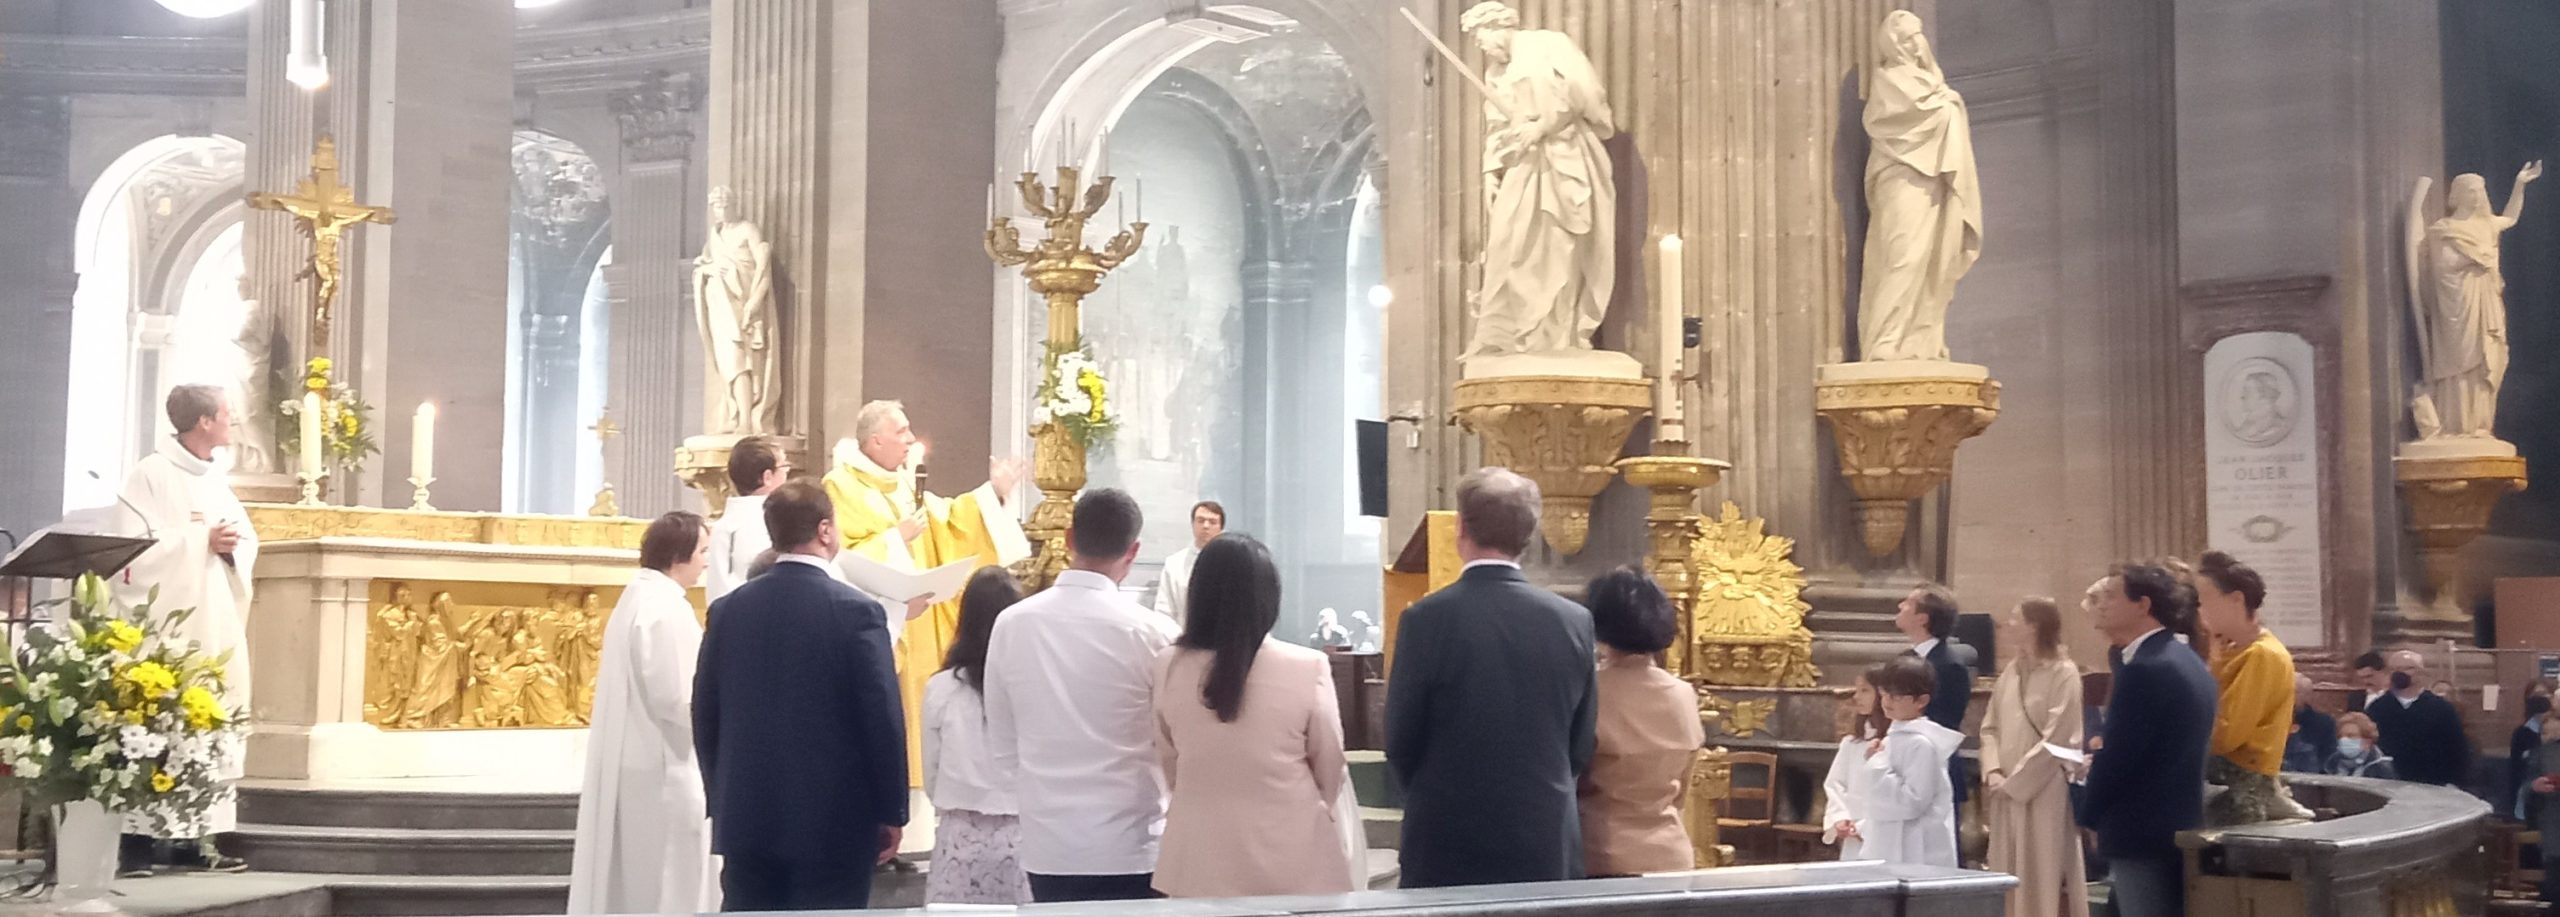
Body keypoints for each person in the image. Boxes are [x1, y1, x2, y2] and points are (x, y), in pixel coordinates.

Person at [693, 482, 907, 911]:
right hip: (834, 821)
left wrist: (722, 795)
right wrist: (891, 811)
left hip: (747, 815)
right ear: (825, 531)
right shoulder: (856, 611)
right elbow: (880, 717)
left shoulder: (728, 610)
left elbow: (705, 713)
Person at [1386, 468, 1598, 888]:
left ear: (1460, 528)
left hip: (1447, 831)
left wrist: (1436, 791)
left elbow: (1400, 737)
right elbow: (1580, 742)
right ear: (1531, 534)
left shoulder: (1425, 619)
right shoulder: (1574, 621)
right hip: (1543, 832)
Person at [983, 489, 1179, 902]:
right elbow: (1173, 741)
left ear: (1069, 539)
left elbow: (1001, 745)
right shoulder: (1155, 633)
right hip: (1133, 842)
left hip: (1049, 843)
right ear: (1134, 550)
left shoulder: (1012, 624)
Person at [821, 399, 1031, 783]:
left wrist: (993, 493)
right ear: (874, 441)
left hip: (921, 617)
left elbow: (950, 520)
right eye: (900, 431)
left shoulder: (902, 481)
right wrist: (894, 538)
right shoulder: (840, 486)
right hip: (885, 622)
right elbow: (838, 556)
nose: (909, 438)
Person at [1151, 534, 1357, 897]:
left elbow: (1170, 759)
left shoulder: (1169, 664)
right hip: (1291, 853)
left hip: (1199, 853)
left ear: (1198, 595)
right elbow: (1330, 765)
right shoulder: (1307, 666)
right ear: (1268, 598)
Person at [114, 384, 257, 874]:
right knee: (152, 724)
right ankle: (135, 842)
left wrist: (230, 546)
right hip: (166, 627)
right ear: (203, 423)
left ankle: (196, 841)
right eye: (225, 413)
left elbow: (245, 540)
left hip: (212, 624)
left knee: (211, 720)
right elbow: (130, 549)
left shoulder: (215, 481)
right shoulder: (149, 474)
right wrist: (200, 540)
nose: (231, 420)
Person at [569, 512, 718, 915]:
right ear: (677, 555)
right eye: (703, 551)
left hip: (648, 761)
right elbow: (676, 698)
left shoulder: (641, 597)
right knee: (669, 879)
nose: (707, 560)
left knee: (645, 879)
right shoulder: (664, 608)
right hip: (667, 766)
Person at [2077, 564, 2217, 917]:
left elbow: (2120, 755)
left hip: (2140, 829)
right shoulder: (2184, 658)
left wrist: (2089, 813)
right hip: (2175, 820)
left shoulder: (2146, 668)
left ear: (2142, 604)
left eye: (2111, 596)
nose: (2102, 604)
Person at [1575, 567, 1706, 877]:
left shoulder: (1589, 690)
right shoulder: (1683, 694)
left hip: (1601, 855)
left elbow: (1567, 780)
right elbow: (1682, 790)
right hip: (1670, 855)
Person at [921, 568, 1033, 905]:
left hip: (961, 838)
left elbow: (931, 771)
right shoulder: (1033, 684)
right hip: (1026, 835)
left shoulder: (942, 687)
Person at [1979, 597, 2087, 917]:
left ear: (2034, 626)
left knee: (2042, 871)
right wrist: (1994, 771)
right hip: (2005, 789)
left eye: (2015, 619)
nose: (2007, 625)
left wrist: (2017, 783)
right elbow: (1989, 727)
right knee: (2004, 871)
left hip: (2042, 788)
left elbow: (2059, 738)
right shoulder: (2010, 672)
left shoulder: (2064, 673)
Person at [2194, 551, 2313, 823]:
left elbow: (2226, 735)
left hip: (2242, 783)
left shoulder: (2263, 654)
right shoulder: (2230, 651)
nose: (2196, 611)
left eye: (2201, 602)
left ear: (2236, 600)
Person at [1861, 657, 1964, 867]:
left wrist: (1877, 764)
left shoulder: (1922, 745)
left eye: (1897, 696)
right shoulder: (1894, 739)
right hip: (1889, 843)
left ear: (1921, 701)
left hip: (1915, 849)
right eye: (1884, 694)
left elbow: (1912, 803)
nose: (1887, 701)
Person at [1895, 584, 1973, 832]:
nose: (1899, 606)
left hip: (1934, 769)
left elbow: (1945, 723)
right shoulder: (1905, 659)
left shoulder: (1949, 665)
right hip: (1902, 769)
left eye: (1907, 603)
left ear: (1922, 618)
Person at [2366, 649, 2471, 788]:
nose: (2400, 673)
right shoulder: (2377, 708)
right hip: (2387, 785)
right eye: (2394, 669)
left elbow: (2458, 748)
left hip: (2432, 784)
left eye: (2408, 668)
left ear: (2421, 672)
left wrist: (2455, 782)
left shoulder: (2441, 708)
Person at [706, 436, 788, 600]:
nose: (787, 473)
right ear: (767, 477)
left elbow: (716, 592)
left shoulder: (722, 526)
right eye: (784, 466)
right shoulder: (780, 522)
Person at [1822, 670, 1889, 859]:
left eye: (1865, 691)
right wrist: (1840, 818)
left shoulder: (1895, 742)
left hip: (1882, 834)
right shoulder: (1851, 744)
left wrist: (1865, 827)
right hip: (1852, 834)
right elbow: (1835, 784)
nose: (1856, 697)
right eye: (1857, 690)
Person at [1149, 500, 1225, 626]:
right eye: (1200, 520)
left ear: (1221, 528)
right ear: (1192, 524)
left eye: (1212, 522)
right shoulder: (1174, 564)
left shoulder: (1232, 564)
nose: (1206, 526)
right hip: (1182, 637)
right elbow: (1163, 611)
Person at [2512, 683, 2554, 818]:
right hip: (2532, 796)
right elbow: (2516, 770)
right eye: (2536, 696)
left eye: (2545, 695)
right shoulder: (2522, 733)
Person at [2283, 674, 2337, 775]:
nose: (2287, 696)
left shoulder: (2323, 723)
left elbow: (2328, 758)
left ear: (2307, 696)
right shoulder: (2268, 718)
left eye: (2294, 692)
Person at [2325, 712, 2398, 780]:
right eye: (2340, 736)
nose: (2344, 740)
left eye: (2351, 736)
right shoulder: (2331, 764)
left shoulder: (2382, 768)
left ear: (2367, 740)